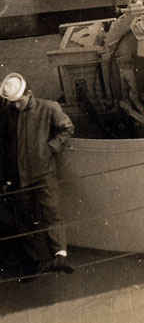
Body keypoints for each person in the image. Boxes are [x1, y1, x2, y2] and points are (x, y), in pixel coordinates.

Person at [0, 73, 75, 274]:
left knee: (52, 212)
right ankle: (36, 262)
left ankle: (60, 256)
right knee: (25, 218)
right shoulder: (8, 113)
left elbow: (67, 128)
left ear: (29, 93)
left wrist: (50, 148)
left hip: (43, 174)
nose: (16, 106)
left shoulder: (49, 108)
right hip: (19, 176)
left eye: (19, 101)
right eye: (12, 102)